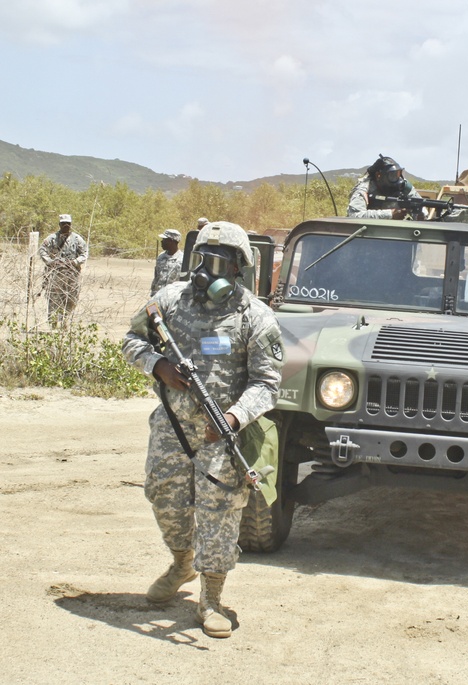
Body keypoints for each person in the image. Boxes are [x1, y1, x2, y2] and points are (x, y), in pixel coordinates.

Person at [121, 221, 284, 639]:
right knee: (163, 497)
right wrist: (157, 366)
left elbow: (267, 384)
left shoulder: (257, 317)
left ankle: (211, 598)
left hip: (222, 434)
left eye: (219, 261)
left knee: (221, 512)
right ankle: (181, 562)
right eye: (203, 260)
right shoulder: (169, 300)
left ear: (238, 268)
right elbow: (131, 340)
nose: (208, 271)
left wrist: (232, 418)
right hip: (172, 427)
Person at [38, 213, 89, 327]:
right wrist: (51, 262)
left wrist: (74, 262)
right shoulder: (52, 238)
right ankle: (53, 323)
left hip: (72, 273)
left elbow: (84, 253)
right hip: (56, 273)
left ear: (71, 225)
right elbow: (42, 250)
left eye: (68, 223)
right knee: (54, 298)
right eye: (63, 223)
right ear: (59, 224)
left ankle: (66, 321)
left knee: (71, 298)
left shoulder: (77, 239)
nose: (66, 225)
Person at [347, 154, 423, 219]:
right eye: (392, 175)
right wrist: (390, 214)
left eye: (399, 174)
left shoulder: (404, 186)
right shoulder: (364, 189)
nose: (398, 179)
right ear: (378, 175)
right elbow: (354, 215)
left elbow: (420, 205)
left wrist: (419, 215)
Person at [150, 229, 183, 296]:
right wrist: (153, 294)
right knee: (151, 307)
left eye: (164, 239)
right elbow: (156, 277)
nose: (162, 241)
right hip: (157, 297)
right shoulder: (161, 257)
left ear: (171, 241)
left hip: (172, 298)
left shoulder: (182, 260)